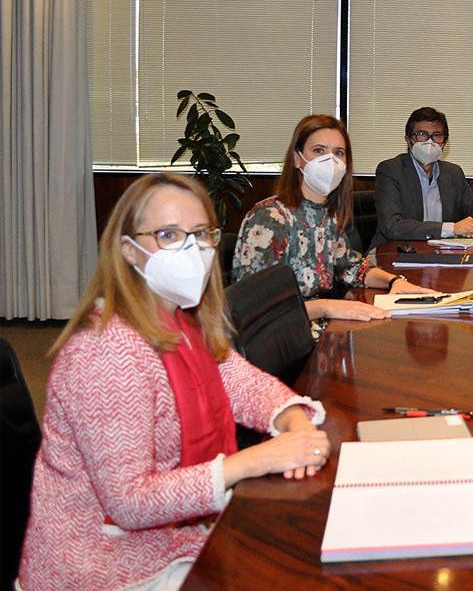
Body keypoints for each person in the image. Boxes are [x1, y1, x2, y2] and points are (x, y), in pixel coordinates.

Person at [19, 173, 330, 589]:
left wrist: (295, 421)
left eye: (200, 234)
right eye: (168, 234)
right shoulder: (104, 350)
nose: (190, 249)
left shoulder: (178, 320)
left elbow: (240, 382)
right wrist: (257, 460)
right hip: (102, 567)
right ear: (128, 250)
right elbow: (130, 503)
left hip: (173, 540)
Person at [233, 115, 432, 323]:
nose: (331, 161)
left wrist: (394, 282)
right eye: (319, 150)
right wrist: (325, 307)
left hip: (325, 329)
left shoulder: (327, 215)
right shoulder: (269, 217)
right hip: (286, 338)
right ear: (297, 158)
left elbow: (352, 268)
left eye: (338, 153)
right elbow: (255, 308)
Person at [372, 107, 473, 246]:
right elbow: (392, 226)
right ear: (408, 139)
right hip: (396, 252)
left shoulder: (453, 173)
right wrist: (452, 229)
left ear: (444, 142)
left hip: (442, 252)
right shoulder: (391, 170)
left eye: (437, 135)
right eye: (422, 134)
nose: (429, 142)